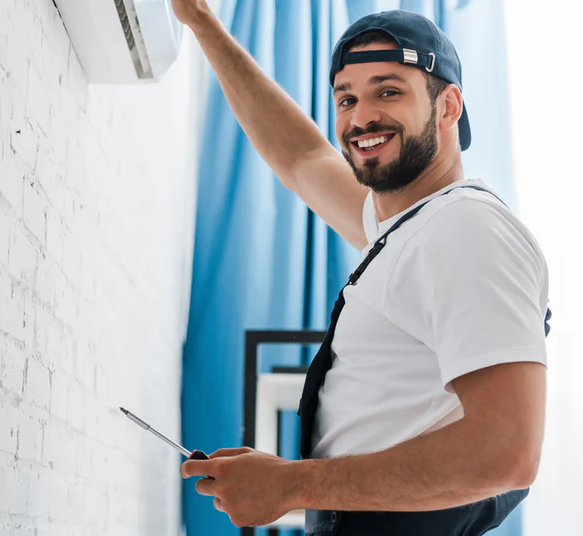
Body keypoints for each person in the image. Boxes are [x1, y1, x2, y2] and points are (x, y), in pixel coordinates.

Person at [172, 5, 552, 536]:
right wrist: (202, 23)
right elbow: (302, 158)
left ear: (447, 106)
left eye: (388, 91)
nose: (361, 118)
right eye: (346, 99)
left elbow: (507, 454)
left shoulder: (464, 229)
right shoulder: (410, 225)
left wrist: (292, 485)